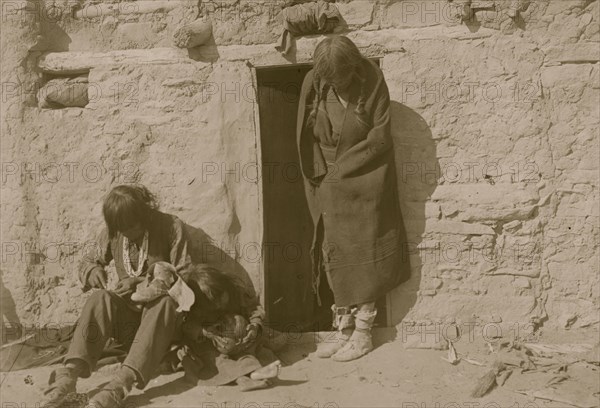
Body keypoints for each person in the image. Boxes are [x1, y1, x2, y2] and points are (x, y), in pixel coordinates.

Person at [296, 36, 410, 362]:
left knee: (365, 249)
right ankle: (343, 329)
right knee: (333, 251)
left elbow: (380, 136)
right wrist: (321, 176)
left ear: (353, 67)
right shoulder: (314, 82)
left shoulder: (372, 81)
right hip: (327, 183)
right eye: (330, 79)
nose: (336, 84)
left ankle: (363, 333)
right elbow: (305, 136)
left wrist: (342, 172)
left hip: (365, 177)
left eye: (341, 78)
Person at [41, 184, 191, 408]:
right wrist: (93, 272)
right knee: (100, 297)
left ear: (144, 214)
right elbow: (88, 261)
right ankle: (68, 376)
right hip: (131, 327)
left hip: (164, 327)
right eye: (122, 229)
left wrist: (141, 282)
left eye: (132, 226)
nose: (127, 233)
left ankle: (119, 385)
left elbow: (186, 276)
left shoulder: (171, 227)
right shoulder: (115, 231)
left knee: (165, 303)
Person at [179, 265, 281, 391]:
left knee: (249, 351)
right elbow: (187, 326)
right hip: (208, 344)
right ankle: (246, 377)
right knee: (215, 359)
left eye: (221, 297)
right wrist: (204, 332)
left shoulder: (237, 290)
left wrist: (254, 326)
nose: (220, 304)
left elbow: (254, 309)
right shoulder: (195, 305)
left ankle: (252, 372)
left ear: (224, 285)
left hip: (236, 339)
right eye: (214, 303)